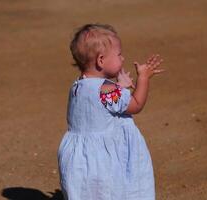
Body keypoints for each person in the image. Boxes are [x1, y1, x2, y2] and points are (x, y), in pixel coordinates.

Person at [57, 23, 165, 200]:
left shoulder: (77, 86)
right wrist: (143, 78)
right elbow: (136, 104)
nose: (122, 59)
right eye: (119, 54)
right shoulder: (107, 90)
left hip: (80, 160)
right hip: (104, 161)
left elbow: (99, 104)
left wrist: (118, 87)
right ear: (101, 60)